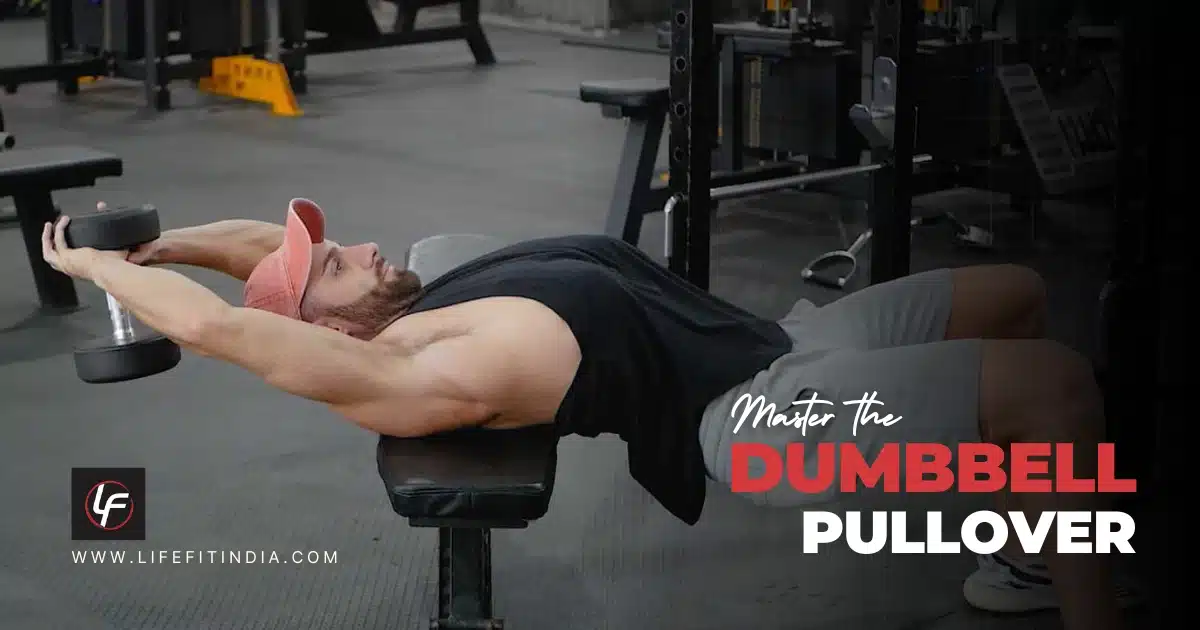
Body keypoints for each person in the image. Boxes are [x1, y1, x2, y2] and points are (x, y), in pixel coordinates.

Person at [43, 199, 1131, 630]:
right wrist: (94, 267)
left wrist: (164, 243)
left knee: (1017, 291)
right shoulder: (423, 368)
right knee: (1058, 382)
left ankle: (1023, 558)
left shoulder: (411, 288)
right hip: (757, 414)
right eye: (332, 264)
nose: (362, 246)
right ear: (329, 330)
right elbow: (233, 328)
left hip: (788, 340)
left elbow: (256, 268)